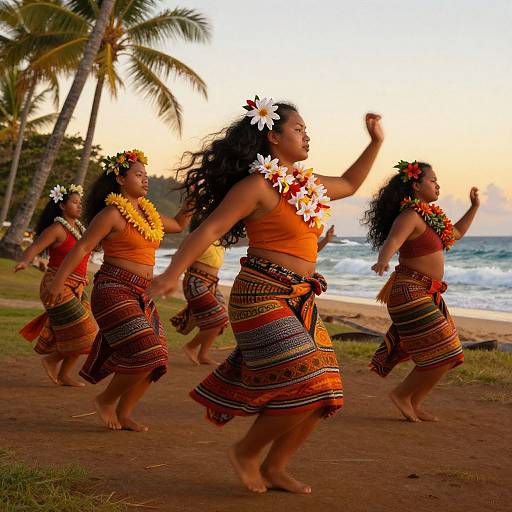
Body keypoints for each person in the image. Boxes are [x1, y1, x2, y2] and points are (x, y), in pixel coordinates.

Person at [150, 97, 384, 493]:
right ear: (273, 136)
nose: (307, 135)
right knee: (308, 375)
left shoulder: (308, 185)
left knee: (326, 388)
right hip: (260, 294)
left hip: (300, 297)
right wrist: (172, 273)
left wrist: (375, 142)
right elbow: (207, 230)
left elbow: (350, 184)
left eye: (307, 130)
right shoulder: (256, 185)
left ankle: (276, 466)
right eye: (298, 129)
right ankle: (246, 452)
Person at [44, 150, 190, 432]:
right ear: (121, 179)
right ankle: (106, 400)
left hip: (142, 292)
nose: (145, 180)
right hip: (113, 288)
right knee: (147, 350)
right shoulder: (111, 213)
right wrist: (58, 281)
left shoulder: (149, 216)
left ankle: (125, 412)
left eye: (146, 175)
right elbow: (83, 247)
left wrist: (192, 203)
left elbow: (180, 224)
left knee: (158, 355)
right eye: (138, 175)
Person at [363, 160, 479, 422]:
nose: (437, 184)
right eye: (432, 180)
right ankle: (403, 395)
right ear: (416, 185)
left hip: (427, 293)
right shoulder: (410, 216)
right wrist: (384, 259)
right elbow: (394, 239)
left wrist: (474, 207)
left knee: (451, 355)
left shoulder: (432, 218)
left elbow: (457, 232)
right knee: (445, 350)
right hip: (409, 290)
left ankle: (414, 401)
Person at [15, 184, 97, 386]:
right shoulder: (56, 229)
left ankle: (64, 375)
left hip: (77, 286)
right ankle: (51, 361)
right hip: (56, 284)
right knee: (86, 330)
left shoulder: (80, 229)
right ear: (62, 205)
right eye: (75, 203)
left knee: (81, 333)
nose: (80, 207)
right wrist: (25, 260)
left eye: (81, 203)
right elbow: (35, 246)